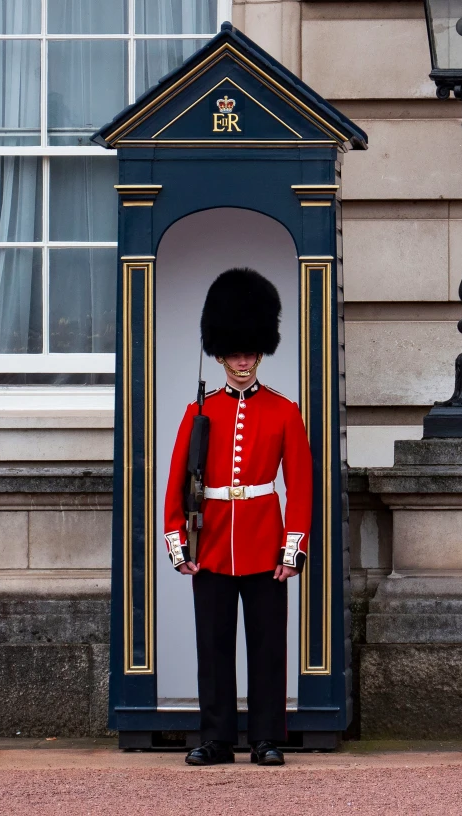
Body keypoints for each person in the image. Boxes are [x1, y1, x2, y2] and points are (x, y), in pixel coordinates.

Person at [164, 268, 313, 766]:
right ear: (221, 354)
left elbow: (301, 486)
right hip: (211, 545)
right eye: (234, 352)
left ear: (260, 352)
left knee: (269, 647)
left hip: (265, 542)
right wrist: (178, 545)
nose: (242, 361)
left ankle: (267, 737)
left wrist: (292, 549)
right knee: (214, 647)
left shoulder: (284, 411)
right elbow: (177, 483)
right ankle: (217, 738)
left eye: (249, 352)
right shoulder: (197, 411)